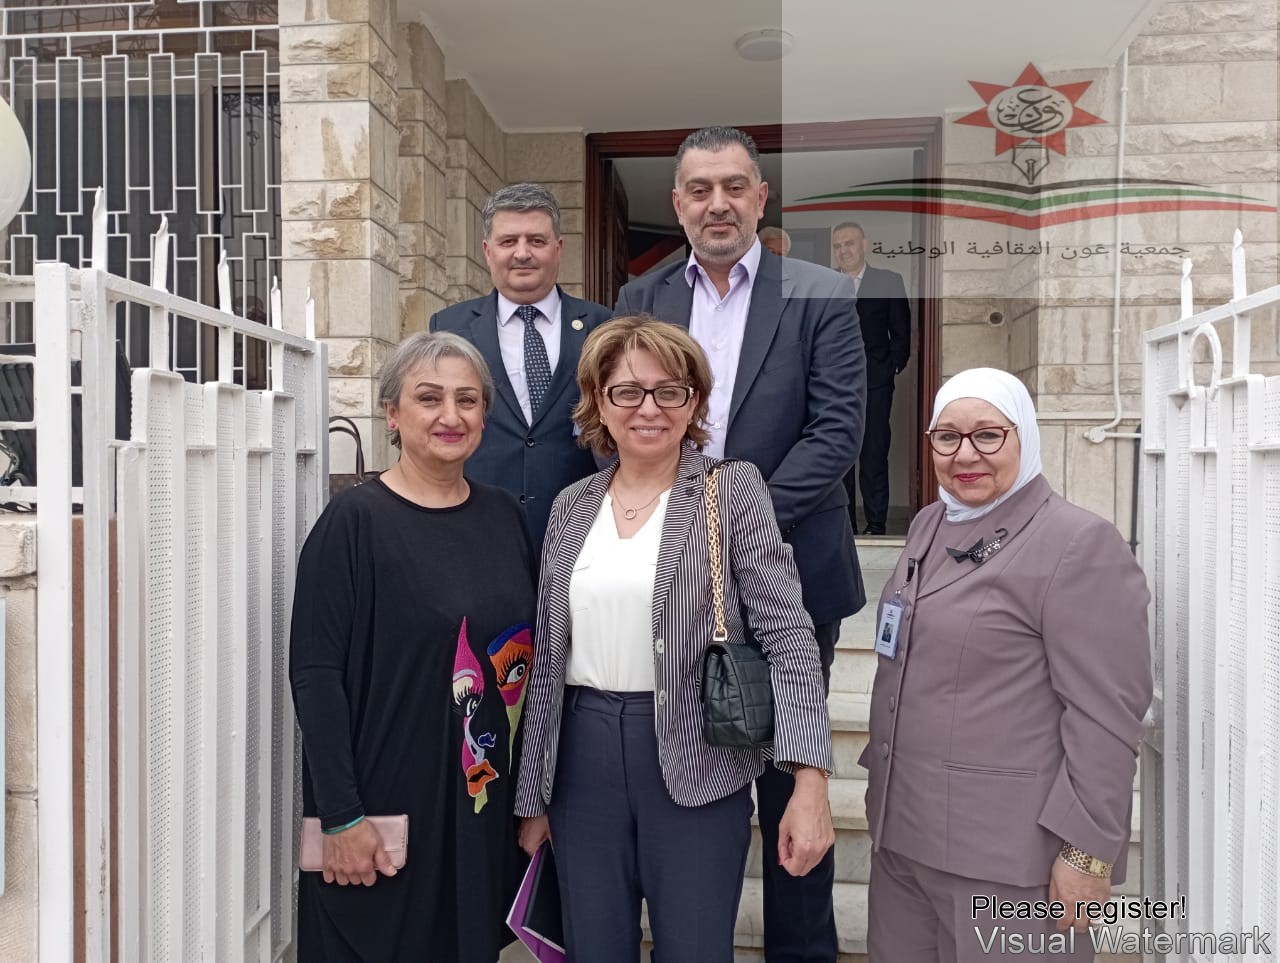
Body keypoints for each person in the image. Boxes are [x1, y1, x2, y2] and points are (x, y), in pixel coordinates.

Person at [614, 125, 864, 962]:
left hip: (793, 572)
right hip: (673, 578)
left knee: (794, 785)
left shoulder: (820, 293)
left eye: (733, 187)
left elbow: (837, 432)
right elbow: (622, 418)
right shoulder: (640, 297)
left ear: (760, 197)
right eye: (699, 189)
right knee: (692, 777)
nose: (716, 203)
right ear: (678, 203)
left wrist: (728, 519)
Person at [514, 316, 835, 963]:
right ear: (599, 400)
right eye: (628, 391)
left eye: (670, 391)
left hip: (698, 761)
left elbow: (788, 635)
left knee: (695, 949)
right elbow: (547, 660)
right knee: (593, 949)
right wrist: (533, 796)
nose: (649, 408)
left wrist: (810, 779)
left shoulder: (730, 490)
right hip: (581, 762)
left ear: (694, 402)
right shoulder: (572, 505)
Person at [860, 367, 1153, 962]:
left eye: (988, 435)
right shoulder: (930, 523)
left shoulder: (1077, 544)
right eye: (947, 437)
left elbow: (1106, 717)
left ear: (1024, 436)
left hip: (1009, 860)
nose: (965, 455)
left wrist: (1087, 853)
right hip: (904, 841)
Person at [290, 331, 536, 962]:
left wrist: (532, 798)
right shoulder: (353, 522)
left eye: (467, 400)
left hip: (479, 807)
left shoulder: (505, 517)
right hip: (383, 812)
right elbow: (315, 675)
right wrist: (342, 816)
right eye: (429, 398)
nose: (451, 415)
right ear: (392, 414)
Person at [431, 182, 612, 555]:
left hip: (584, 529)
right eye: (508, 241)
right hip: (476, 529)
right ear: (488, 250)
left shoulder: (603, 326)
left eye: (537, 241)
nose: (523, 253)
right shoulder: (449, 327)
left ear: (558, 248)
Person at [832, 222, 911, 536]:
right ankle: (844, 524)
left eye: (849, 243)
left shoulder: (888, 281)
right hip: (833, 385)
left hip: (875, 382)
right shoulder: (825, 283)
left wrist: (892, 367)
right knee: (838, 452)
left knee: (874, 450)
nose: (843, 250)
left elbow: (901, 331)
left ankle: (876, 524)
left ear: (864, 244)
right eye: (838, 246)